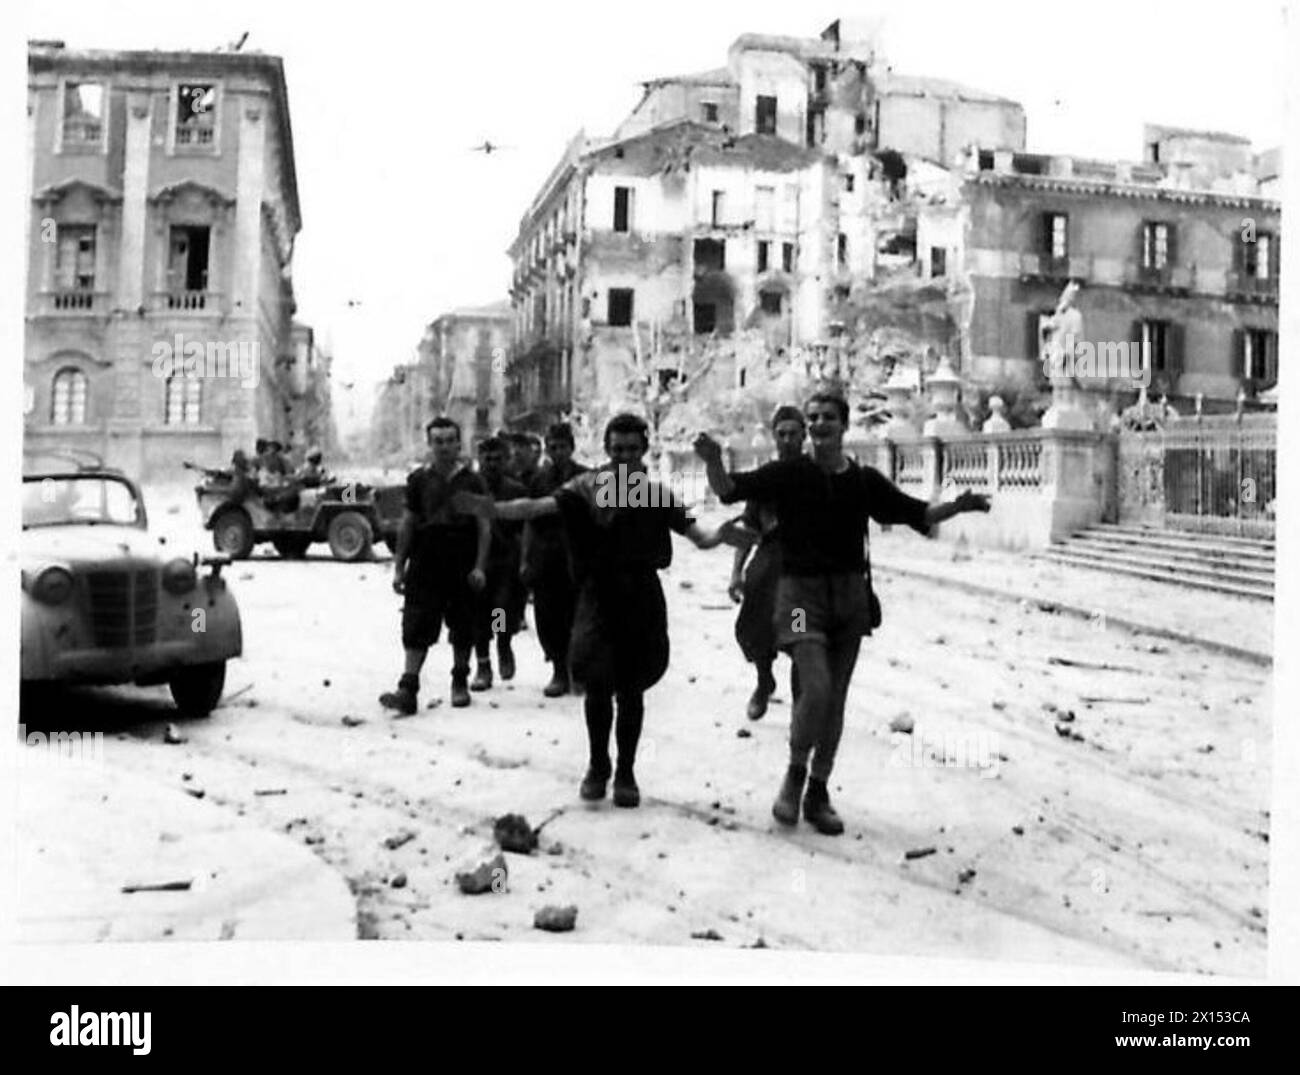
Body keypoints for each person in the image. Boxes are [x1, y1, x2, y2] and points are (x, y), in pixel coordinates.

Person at [694, 392, 991, 835]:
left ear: (845, 424)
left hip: (849, 602)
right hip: (797, 601)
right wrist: (713, 459)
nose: (818, 424)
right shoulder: (790, 473)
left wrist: (960, 505)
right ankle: (794, 776)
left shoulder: (863, 481)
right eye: (812, 417)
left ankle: (819, 789)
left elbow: (917, 512)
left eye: (827, 417)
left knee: (834, 699)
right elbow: (729, 490)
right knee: (815, 684)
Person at [455, 413, 746, 807]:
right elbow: (536, 507)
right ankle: (597, 765)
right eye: (617, 448)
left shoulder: (658, 494)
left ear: (644, 450)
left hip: (641, 596)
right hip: (597, 595)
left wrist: (723, 535)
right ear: (607, 450)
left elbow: (699, 534)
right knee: (596, 680)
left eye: (632, 448)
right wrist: (492, 510)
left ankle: (625, 772)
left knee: (631, 687)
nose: (624, 456)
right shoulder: (586, 487)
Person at [380, 416, 490, 715]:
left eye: (449, 441)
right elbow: (408, 523)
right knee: (417, 622)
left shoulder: (473, 480)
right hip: (426, 559)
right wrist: (400, 566)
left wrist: (480, 566)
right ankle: (408, 688)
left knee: (463, 622)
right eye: (437, 441)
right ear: (430, 444)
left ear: (458, 443)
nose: (443, 447)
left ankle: (460, 681)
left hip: (461, 557)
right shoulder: (418, 480)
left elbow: (484, 525)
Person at [728, 405, 806, 720]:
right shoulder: (764, 479)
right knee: (758, 629)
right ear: (774, 437)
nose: (787, 440)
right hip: (767, 569)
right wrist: (735, 572)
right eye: (781, 434)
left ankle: (801, 705)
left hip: (802, 573)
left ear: (804, 436)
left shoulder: (815, 476)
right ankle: (764, 682)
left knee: (801, 634)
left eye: (793, 434)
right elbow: (749, 527)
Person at [523, 422, 588, 697]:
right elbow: (530, 520)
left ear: (572, 448)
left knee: (580, 616)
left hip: (579, 556)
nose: (557, 452)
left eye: (562, 447)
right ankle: (559, 670)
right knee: (548, 617)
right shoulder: (539, 480)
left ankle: (579, 672)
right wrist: (524, 559)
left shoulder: (588, 477)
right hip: (547, 555)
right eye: (553, 447)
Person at [470, 436, 528, 691]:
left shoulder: (516, 489)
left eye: (497, 459)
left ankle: (503, 644)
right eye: (487, 459)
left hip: (505, 562)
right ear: (479, 460)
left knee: (500, 609)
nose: (492, 464)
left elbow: (525, 529)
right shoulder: (469, 488)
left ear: (505, 460)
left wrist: (524, 559)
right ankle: (483, 665)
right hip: (475, 561)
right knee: (478, 614)